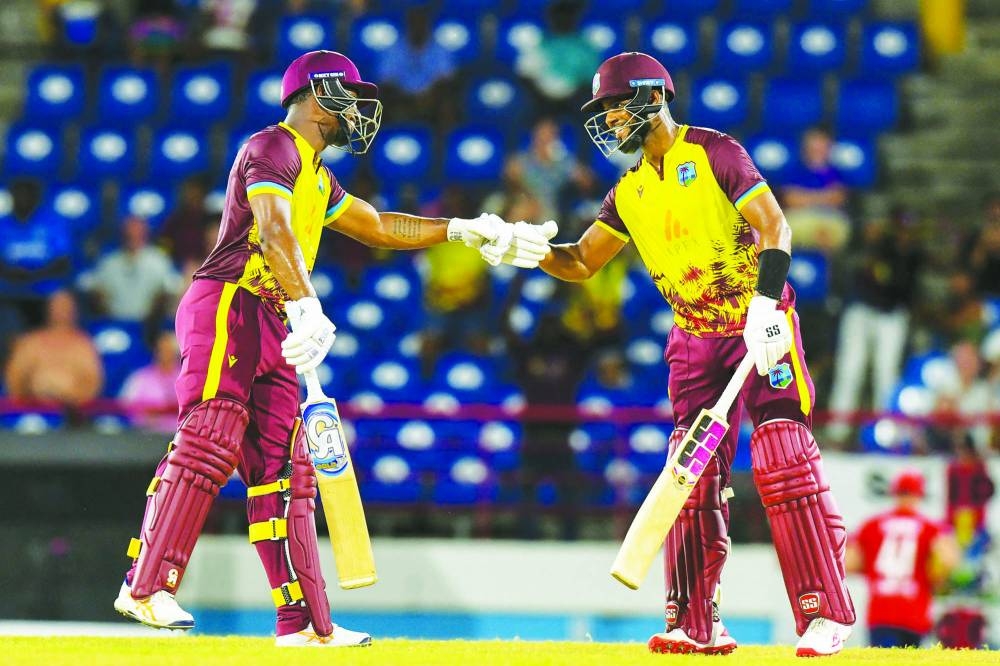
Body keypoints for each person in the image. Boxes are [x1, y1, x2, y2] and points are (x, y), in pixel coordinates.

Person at [113, 49, 554, 647]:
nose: (359, 111)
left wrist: (461, 229)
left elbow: (377, 226)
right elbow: (273, 231)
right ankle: (145, 585)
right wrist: (307, 303)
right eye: (351, 97)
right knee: (211, 437)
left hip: (273, 316)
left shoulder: (319, 174)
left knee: (285, 473)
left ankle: (303, 624)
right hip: (230, 302)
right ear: (318, 95)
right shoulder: (273, 147)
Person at [483, 52, 856, 656]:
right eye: (603, 111)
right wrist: (528, 249)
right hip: (693, 340)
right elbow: (582, 261)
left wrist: (766, 306)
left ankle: (824, 614)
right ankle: (694, 623)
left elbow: (775, 228)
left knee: (782, 455)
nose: (609, 120)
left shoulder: (714, 152)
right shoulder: (627, 192)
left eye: (615, 107)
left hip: (759, 324)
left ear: (653, 98)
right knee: (691, 476)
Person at [846, 469, 959, 647]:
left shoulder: (871, 525)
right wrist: (936, 578)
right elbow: (948, 561)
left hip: (881, 611)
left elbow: (849, 563)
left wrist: (871, 569)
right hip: (915, 612)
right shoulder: (932, 528)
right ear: (919, 495)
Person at [4, 290, 103, 408]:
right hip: (34, 409)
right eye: (56, 306)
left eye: (65, 307)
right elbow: (15, 377)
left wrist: (72, 397)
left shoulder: (83, 345)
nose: (61, 311)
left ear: (74, 311)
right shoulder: (30, 342)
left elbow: (92, 381)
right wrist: (27, 400)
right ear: (48, 309)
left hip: (72, 410)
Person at [780, 127, 851, 254]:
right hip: (799, 216)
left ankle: (825, 265)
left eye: (821, 145)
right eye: (813, 145)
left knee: (829, 231)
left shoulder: (836, 172)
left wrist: (805, 196)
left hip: (830, 216)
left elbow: (837, 198)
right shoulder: (794, 171)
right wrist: (824, 197)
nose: (817, 149)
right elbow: (791, 200)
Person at [119, 330, 181, 433]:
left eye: (169, 350)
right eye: (161, 349)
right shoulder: (140, 377)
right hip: (145, 433)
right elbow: (125, 405)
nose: (165, 353)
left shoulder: (187, 378)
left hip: (178, 434)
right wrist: (147, 410)